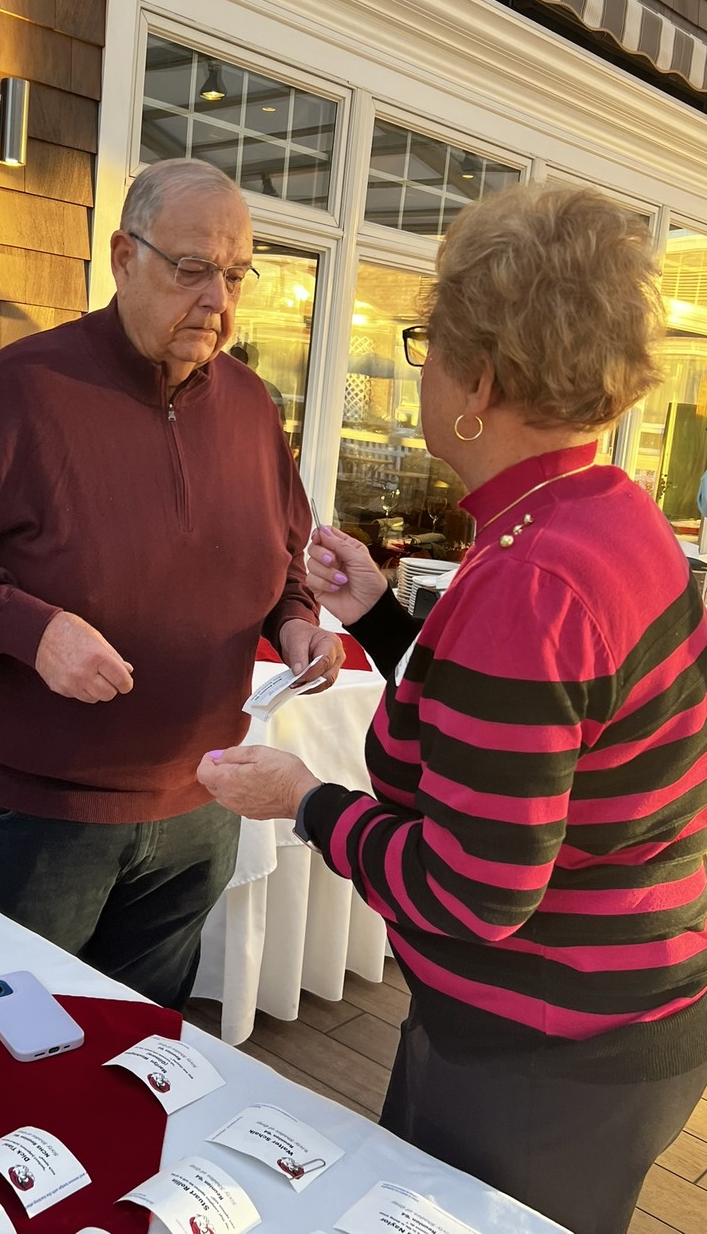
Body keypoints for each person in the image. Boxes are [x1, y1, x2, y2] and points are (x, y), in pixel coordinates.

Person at [198, 183, 707, 1234]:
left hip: (544, 1056)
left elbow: (474, 893)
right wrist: (382, 619)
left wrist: (305, 801)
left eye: (427, 346)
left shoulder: (532, 578)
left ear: (478, 383)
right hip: (626, 1009)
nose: (418, 367)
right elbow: (534, 731)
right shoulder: (604, 513)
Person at [0, 158, 344, 1012]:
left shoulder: (253, 406)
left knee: (137, 1043)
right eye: (191, 269)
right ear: (124, 257)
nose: (218, 301)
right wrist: (33, 630)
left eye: (236, 276)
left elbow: (284, 551)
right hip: (24, 816)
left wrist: (298, 621)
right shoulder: (20, 391)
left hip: (200, 801)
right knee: (0, 1045)